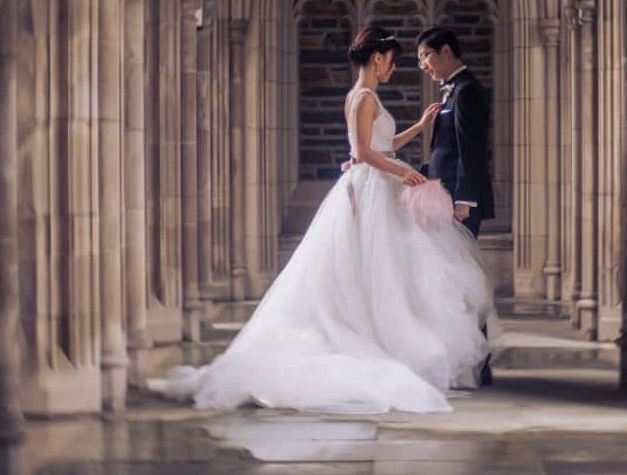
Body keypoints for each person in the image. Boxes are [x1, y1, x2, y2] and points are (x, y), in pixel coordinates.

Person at [149, 25, 498, 414]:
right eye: (393, 61)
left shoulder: (367, 96)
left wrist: (417, 129)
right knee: (385, 266)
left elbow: (379, 145)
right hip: (374, 187)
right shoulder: (363, 97)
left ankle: (390, 337)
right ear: (377, 57)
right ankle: (379, 339)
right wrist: (403, 173)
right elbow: (365, 152)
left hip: (379, 185)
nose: (395, 69)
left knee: (393, 269)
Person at [415, 24, 497, 384]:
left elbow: (471, 151)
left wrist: (464, 199)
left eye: (426, 56)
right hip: (443, 197)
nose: (424, 65)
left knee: (463, 281)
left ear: (446, 50)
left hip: (459, 202)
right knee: (450, 281)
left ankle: (477, 363)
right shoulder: (451, 92)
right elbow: (442, 150)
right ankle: (462, 360)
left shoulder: (467, 92)